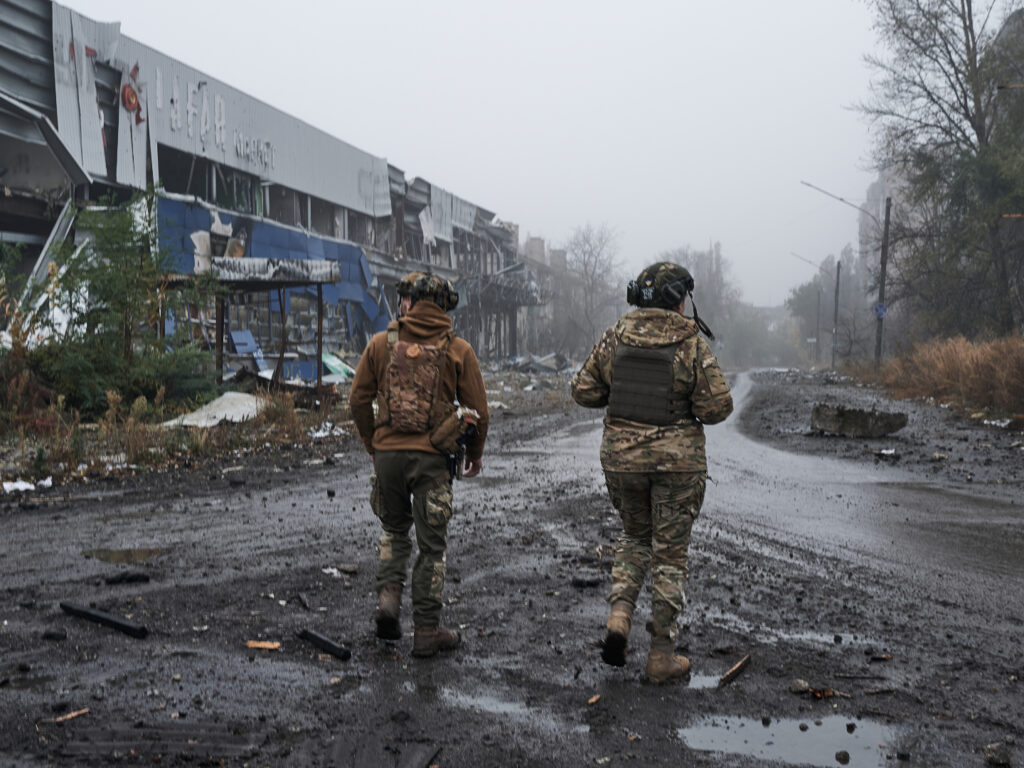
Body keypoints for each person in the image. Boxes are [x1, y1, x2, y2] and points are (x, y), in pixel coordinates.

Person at [570, 262, 733, 683]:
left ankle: (619, 619)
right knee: (669, 555)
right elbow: (718, 408)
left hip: (622, 461)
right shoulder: (690, 343)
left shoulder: (615, 337)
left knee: (635, 538)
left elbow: (583, 390)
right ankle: (661, 656)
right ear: (680, 300)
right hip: (677, 465)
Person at [349, 273, 489, 657]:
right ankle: (426, 632)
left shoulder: (381, 343)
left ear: (410, 303)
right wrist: (475, 454)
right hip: (432, 461)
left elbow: (358, 399)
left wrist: (372, 444)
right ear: (444, 307)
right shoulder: (458, 349)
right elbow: (478, 410)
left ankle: (388, 605)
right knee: (431, 549)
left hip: (389, 458)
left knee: (394, 532)